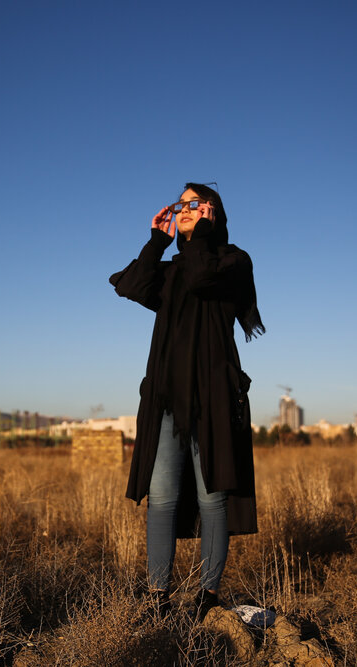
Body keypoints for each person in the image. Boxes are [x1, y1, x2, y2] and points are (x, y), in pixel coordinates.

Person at [109, 182, 265, 620]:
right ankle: (157, 596)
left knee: (212, 494)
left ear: (213, 212)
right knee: (161, 496)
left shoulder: (232, 261)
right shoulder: (172, 268)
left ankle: (207, 597)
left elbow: (202, 278)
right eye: (181, 205)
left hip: (213, 396)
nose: (185, 211)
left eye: (193, 204)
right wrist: (158, 240)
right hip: (165, 398)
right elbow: (132, 286)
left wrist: (197, 236)